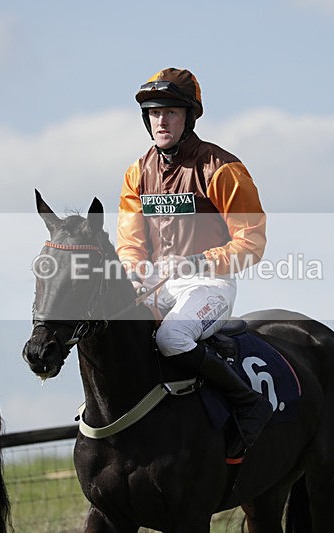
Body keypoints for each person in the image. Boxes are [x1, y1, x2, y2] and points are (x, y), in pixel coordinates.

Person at [116, 67, 273, 454]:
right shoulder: (137, 172)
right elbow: (130, 242)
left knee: (172, 337)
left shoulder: (222, 169)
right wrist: (137, 272)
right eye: (154, 113)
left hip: (209, 284)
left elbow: (251, 242)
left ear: (190, 116)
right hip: (157, 286)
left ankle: (248, 403)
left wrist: (198, 262)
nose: (161, 121)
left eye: (170, 112)